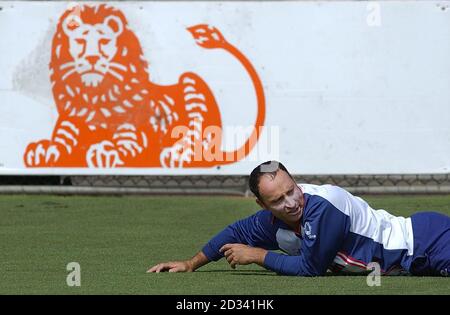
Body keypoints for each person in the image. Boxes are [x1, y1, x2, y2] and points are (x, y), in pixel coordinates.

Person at [148, 161, 450, 276]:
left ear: (295, 181)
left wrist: (257, 255)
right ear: (262, 204)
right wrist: (191, 263)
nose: (291, 202)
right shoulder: (270, 220)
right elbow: (235, 231)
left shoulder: (323, 206)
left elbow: (311, 267)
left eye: (291, 190)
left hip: (427, 241)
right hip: (414, 260)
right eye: (278, 200)